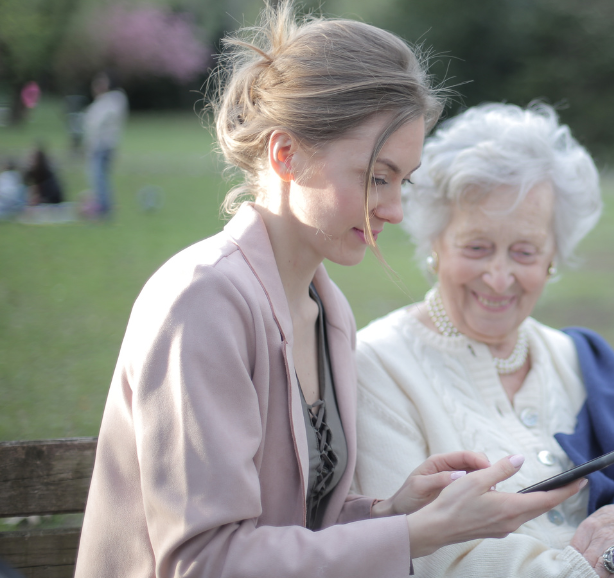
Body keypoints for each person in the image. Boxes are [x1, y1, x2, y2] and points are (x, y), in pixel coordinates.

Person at [74, 7, 582, 578]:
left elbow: (296, 527)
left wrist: (391, 510)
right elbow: (204, 561)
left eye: (402, 182)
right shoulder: (202, 301)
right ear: (285, 154)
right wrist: (416, 534)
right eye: (375, 177)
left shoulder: (326, 308)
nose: (393, 209)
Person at [353, 103, 614, 578]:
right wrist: (590, 570)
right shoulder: (377, 364)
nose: (499, 278)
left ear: (552, 259)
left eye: (524, 251)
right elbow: (429, 554)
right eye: (477, 247)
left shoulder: (579, 361)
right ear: (435, 245)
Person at [83, 70, 128, 217]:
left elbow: (96, 123)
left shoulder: (112, 100)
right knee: (99, 178)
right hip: (101, 146)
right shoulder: (106, 102)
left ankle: (103, 208)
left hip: (103, 146)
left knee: (99, 178)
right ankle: (102, 206)